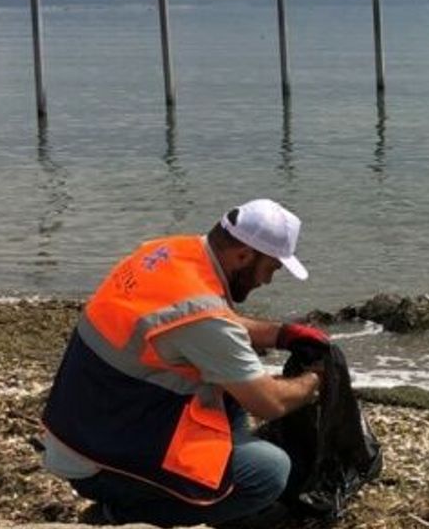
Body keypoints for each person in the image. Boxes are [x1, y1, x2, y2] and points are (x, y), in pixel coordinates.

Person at [40, 198, 334, 527]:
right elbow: (268, 403)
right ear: (243, 255)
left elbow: (206, 322)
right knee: (268, 472)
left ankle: (217, 494)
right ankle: (120, 515)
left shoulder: (169, 253)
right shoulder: (199, 315)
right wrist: (317, 380)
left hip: (82, 430)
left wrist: (282, 335)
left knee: (230, 384)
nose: (266, 280)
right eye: (271, 268)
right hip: (102, 463)